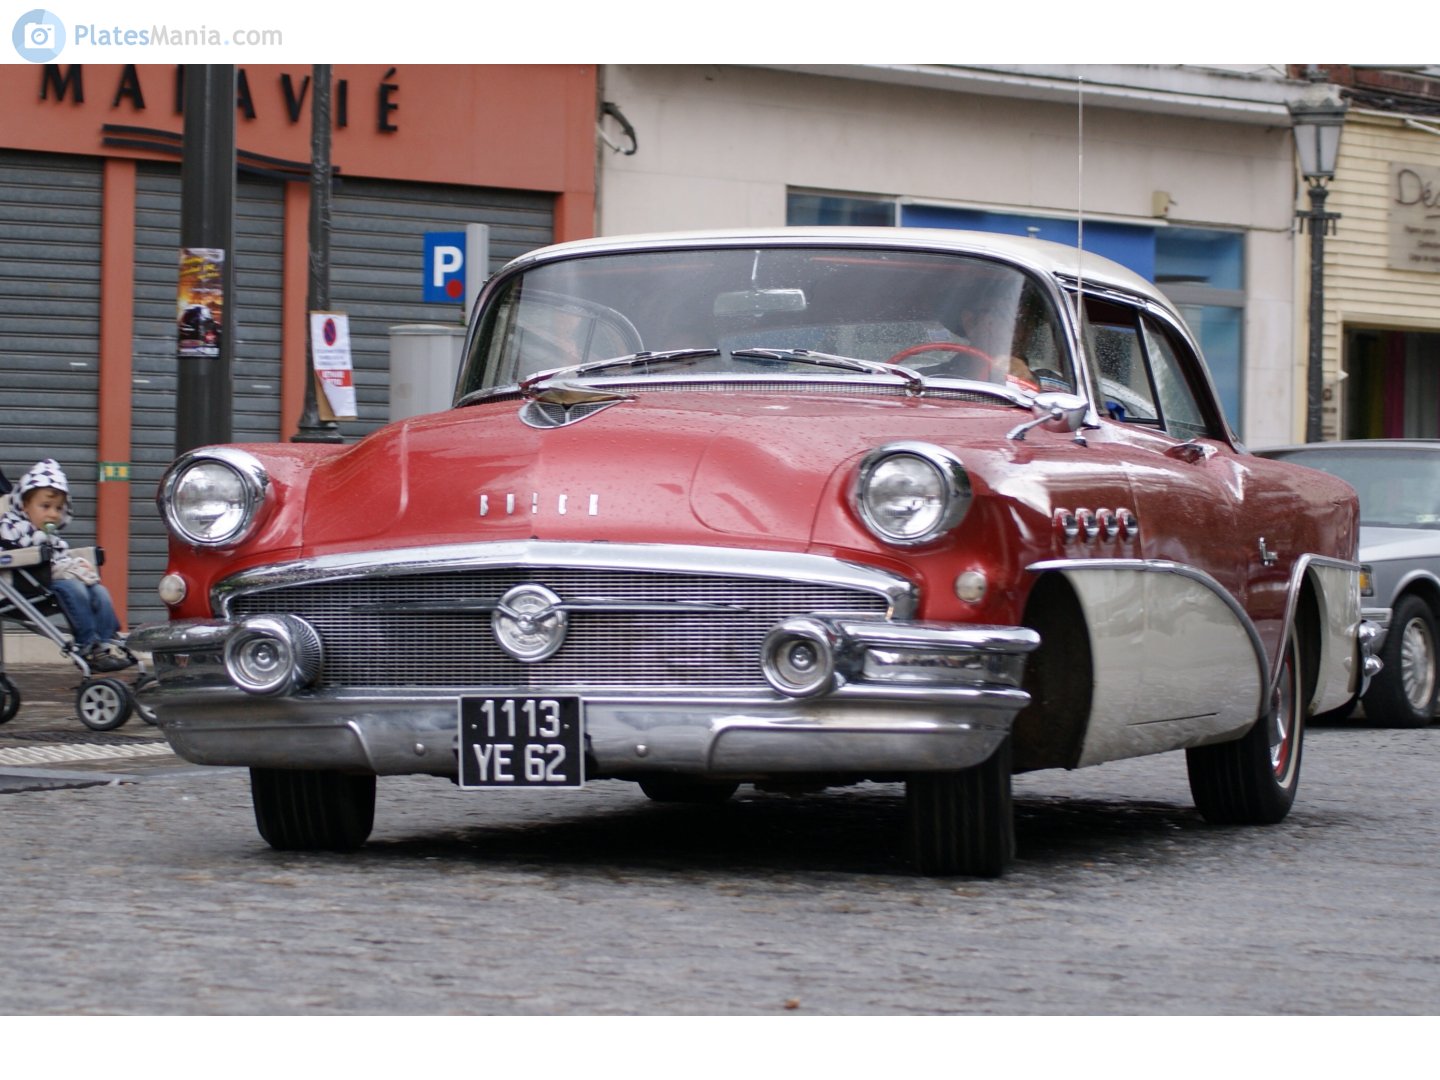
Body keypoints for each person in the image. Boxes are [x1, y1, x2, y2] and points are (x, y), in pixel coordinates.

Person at [0, 459, 133, 672]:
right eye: (45, 507)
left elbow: (61, 555)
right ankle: (86, 644)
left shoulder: (50, 534)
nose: (53, 513)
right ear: (25, 506)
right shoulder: (12, 526)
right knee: (75, 588)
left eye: (58, 508)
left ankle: (108, 641)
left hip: (50, 582)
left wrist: (78, 565)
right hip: (22, 587)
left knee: (99, 590)